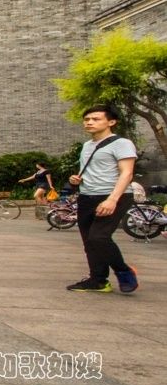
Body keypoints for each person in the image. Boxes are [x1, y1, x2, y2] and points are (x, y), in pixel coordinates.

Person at [66, 105, 138, 294]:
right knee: (89, 241)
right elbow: (92, 170)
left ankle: (124, 271)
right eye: (87, 119)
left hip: (113, 196)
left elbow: (127, 173)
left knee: (99, 237)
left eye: (96, 119)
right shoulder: (87, 146)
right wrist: (76, 179)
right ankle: (98, 280)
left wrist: (112, 200)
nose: (89, 122)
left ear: (111, 122)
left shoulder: (122, 143)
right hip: (87, 196)